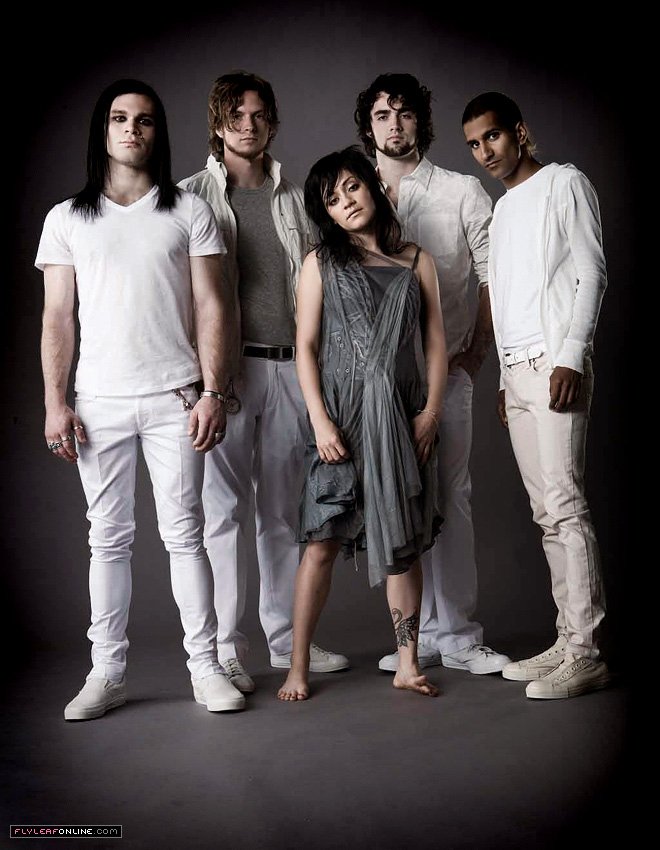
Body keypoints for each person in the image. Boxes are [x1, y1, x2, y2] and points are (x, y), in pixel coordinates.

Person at [36, 78, 246, 719]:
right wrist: (54, 402)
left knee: (186, 535)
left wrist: (214, 392)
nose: (132, 129)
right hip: (98, 402)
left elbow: (213, 306)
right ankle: (107, 672)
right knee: (107, 540)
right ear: (103, 130)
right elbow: (57, 317)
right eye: (120, 118)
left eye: (145, 120)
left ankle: (206, 668)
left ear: (158, 132)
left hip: (175, 398)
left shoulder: (188, 211)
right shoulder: (66, 218)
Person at [178, 71, 348, 694]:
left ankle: (284, 642)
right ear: (217, 122)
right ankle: (226, 649)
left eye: (258, 115)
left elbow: (323, 285)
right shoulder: (190, 196)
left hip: (289, 368)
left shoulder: (297, 199)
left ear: (272, 122)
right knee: (223, 513)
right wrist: (200, 380)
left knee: (281, 512)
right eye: (236, 114)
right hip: (224, 375)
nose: (247, 125)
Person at [277, 145, 448, 701]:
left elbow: (435, 346)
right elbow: (305, 347)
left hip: (401, 418)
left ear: (372, 186)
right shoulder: (320, 263)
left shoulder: (417, 261)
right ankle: (297, 666)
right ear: (325, 212)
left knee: (402, 542)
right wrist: (320, 421)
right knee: (321, 542)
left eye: (352, 187)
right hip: (341, 420)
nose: (346, 201)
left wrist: (430, 413)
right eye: (332, 198)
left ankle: (407, 663)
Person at [354, 73, 510, 675]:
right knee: (396, 497)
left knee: (452, 495)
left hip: (450, 372)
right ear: (369, 126)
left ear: (421, 120)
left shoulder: (461, 191)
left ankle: (460, 636)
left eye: (405, 113)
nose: (395, 125)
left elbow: (494, 274)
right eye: (382, 115)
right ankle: (412, 643)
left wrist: (478, 352)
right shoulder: (352, 191)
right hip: (380, 380)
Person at [462, 91, 610, 699]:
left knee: (566, 505)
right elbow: (504, 298)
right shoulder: (501, 210)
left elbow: (591, 271)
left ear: (519, 132)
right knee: (546, 512)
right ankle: (567, 638)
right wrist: (502, 379)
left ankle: (586, 653)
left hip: (555, 365)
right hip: (516, 374)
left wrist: (572, 355)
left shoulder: (564, 183)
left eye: (492, 136)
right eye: (474, 144)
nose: (484, 152)